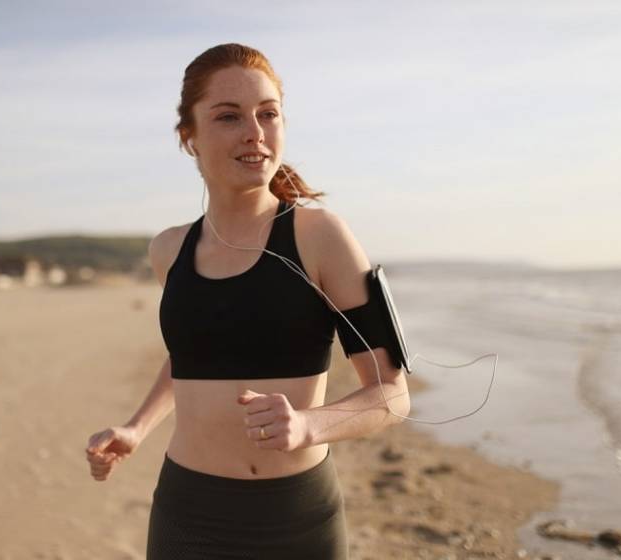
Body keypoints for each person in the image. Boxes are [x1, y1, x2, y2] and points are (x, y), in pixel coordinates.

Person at [85, 43, 411, 559]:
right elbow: (194, 356)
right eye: (228, 116)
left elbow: (391, 395)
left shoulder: (320, 236)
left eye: (268, 114)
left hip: (296, 518)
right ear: (188, 137)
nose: (254, 131)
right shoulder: (169, 250)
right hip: (187, 513)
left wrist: (309, 425)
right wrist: (136, 427)